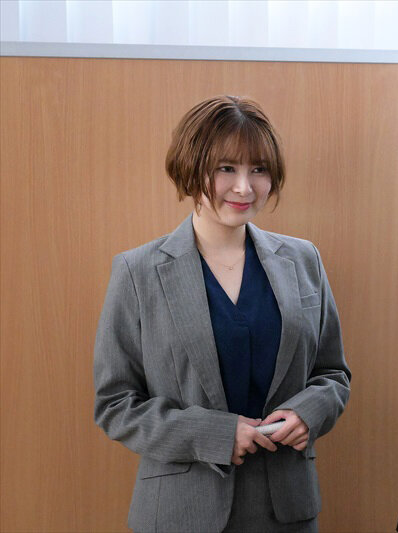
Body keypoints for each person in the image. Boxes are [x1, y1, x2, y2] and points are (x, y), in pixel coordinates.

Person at [94, 95, 351, 532]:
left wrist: (309, 411)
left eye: (259, 169)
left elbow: (333, 374)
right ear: (189, 167)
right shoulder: (138, 272)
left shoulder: (303, 259)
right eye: (226, 168)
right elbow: (116, 404)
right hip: (181, 513)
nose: (244, 188)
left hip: (286, 510)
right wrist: (212, 435)